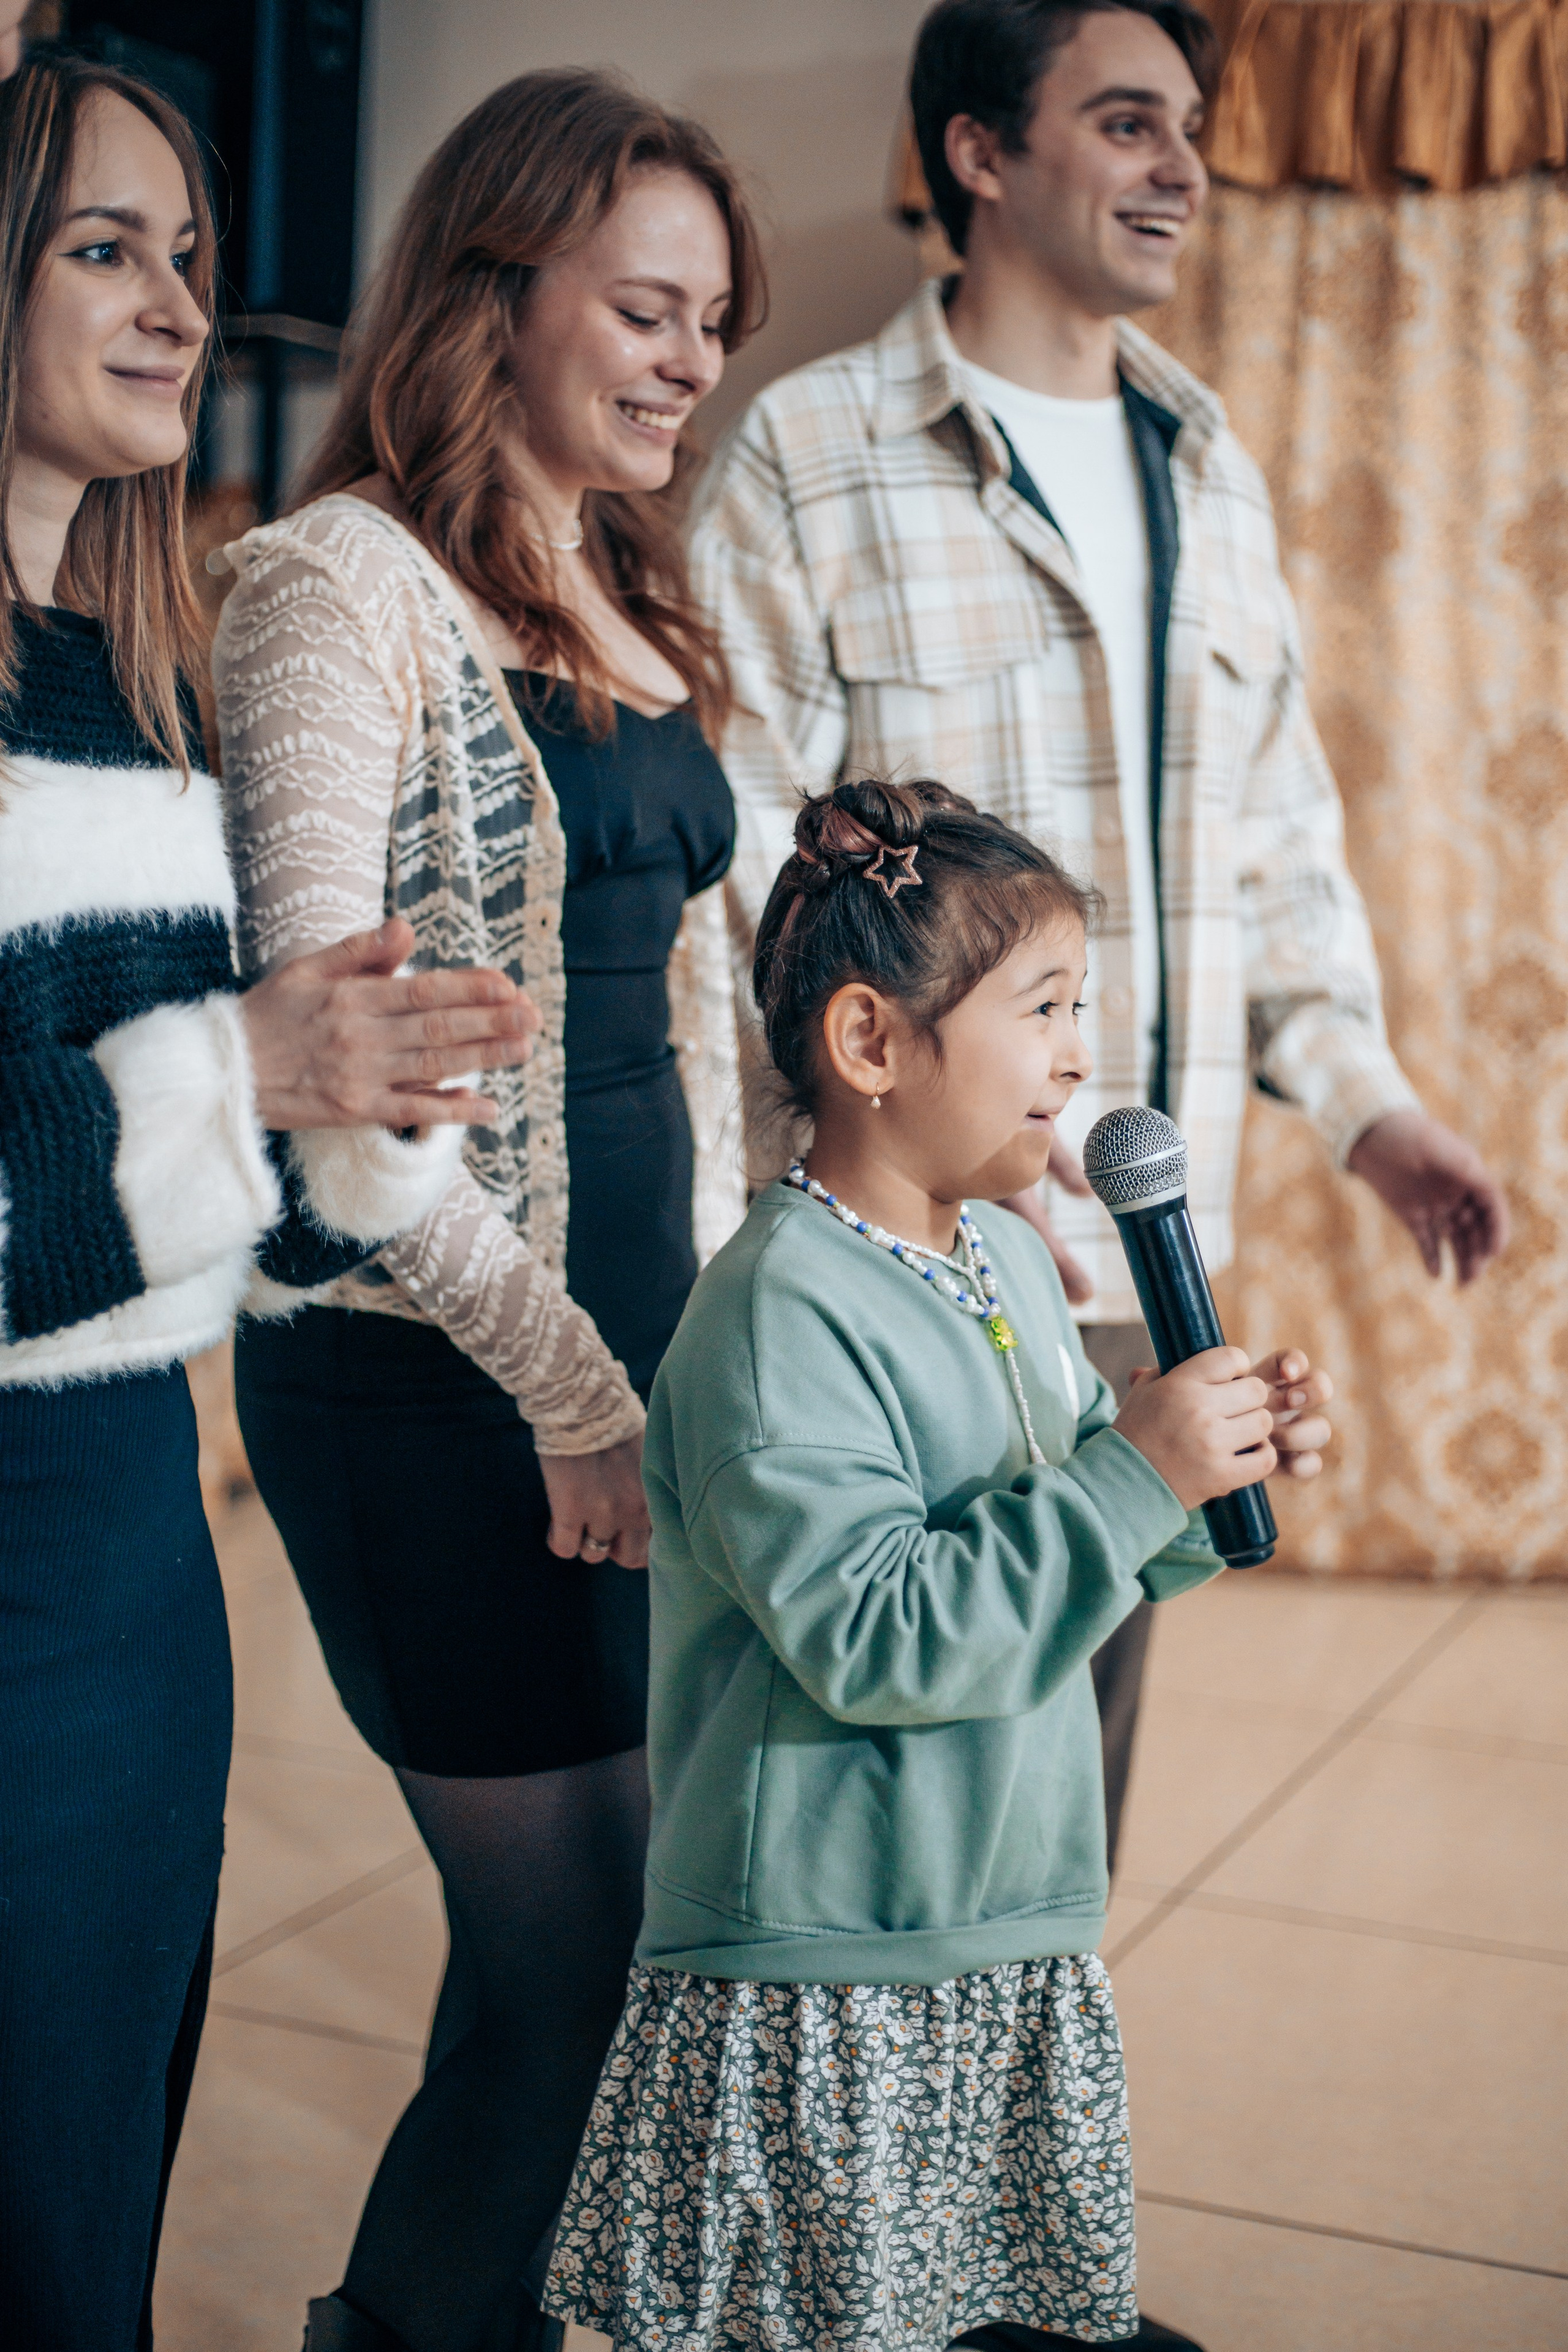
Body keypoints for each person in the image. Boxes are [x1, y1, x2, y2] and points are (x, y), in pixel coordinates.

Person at [689, 0, 1506, 1899]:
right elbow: (731, 896)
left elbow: (1276, 837)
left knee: (1056, 1800)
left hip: (1141, 1241)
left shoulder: (1207, 464)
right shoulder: (810, 456)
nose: (1183, 168)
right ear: (980, 153)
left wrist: (1371, 1110)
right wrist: (765, 1233)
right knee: (856, 1790)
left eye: (1192, 128)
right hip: (893, 1270)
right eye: (1129, 123)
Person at [213, 69, 766, 2352]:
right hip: (433, 1385)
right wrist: (572, 1392)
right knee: (571, 1965)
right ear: (493, 288)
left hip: (632, 1363)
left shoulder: (633, 580)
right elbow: (337, 1103)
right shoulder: (328, 587)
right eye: (646, 308)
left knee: (602, 1952)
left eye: (713, 322)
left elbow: (694, 1013)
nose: (688, 363)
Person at [543, 777, 1333, 2352]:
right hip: (827, 1960)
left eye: (1078, 1008)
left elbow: (1071, 1540)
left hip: (990, 1919)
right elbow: (882, 1634)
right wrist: (1133, 1470)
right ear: (870, 1042)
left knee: (957, 2307)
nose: (1075, 1057)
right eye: (1040, 1009)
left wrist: (1195, 1479)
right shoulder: (778, 1316)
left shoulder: (1004, 1264)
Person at [0, 56, 537, 2352]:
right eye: (102, 249)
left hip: (133, 1549)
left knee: (95, 2174)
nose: (178, 308)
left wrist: (368, 1108)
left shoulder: (143, 691)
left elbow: (220, 1209)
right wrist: (250, 1069)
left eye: (190, 258)